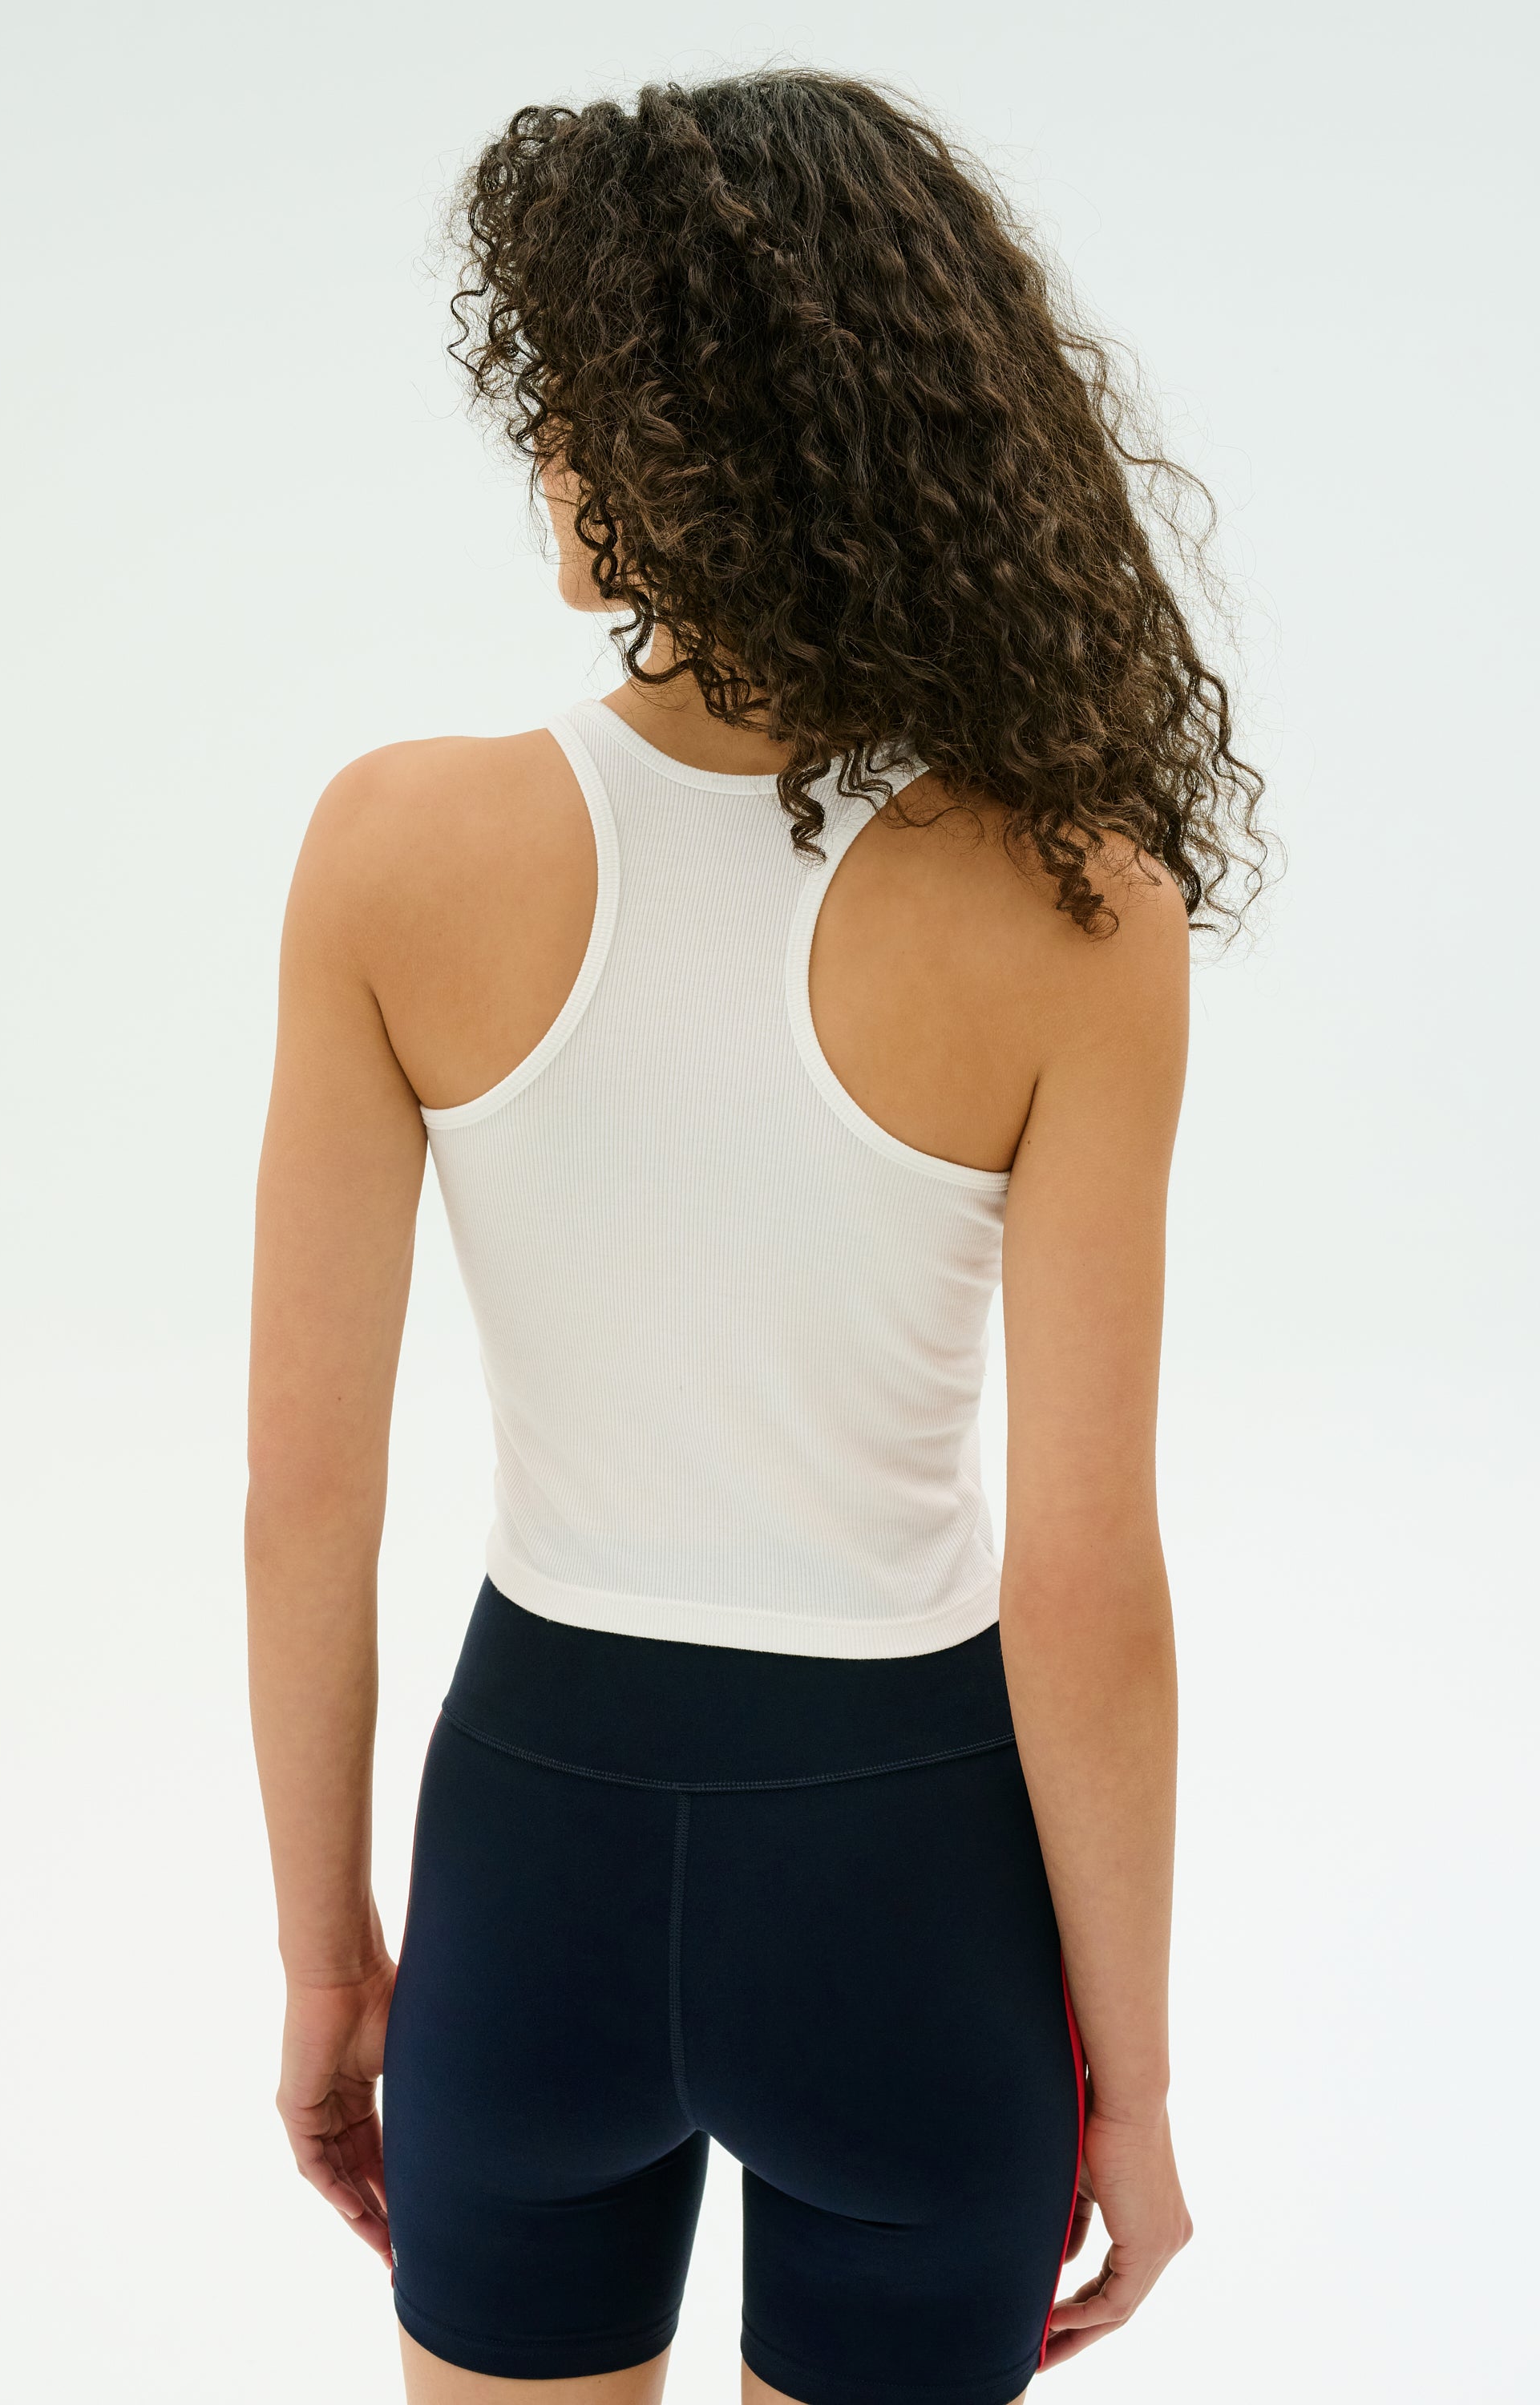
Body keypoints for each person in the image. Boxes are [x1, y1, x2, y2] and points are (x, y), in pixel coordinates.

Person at [246, 68, 1264, 2405]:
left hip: (532, 1860)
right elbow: (1085, 1582)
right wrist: (1131, 2081)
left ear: (673, 446)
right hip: (912, 1903)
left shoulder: (395, 852)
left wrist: (329, 1963)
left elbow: (306, 1487)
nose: (545, 455)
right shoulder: (1076, 906)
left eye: (573, 398)